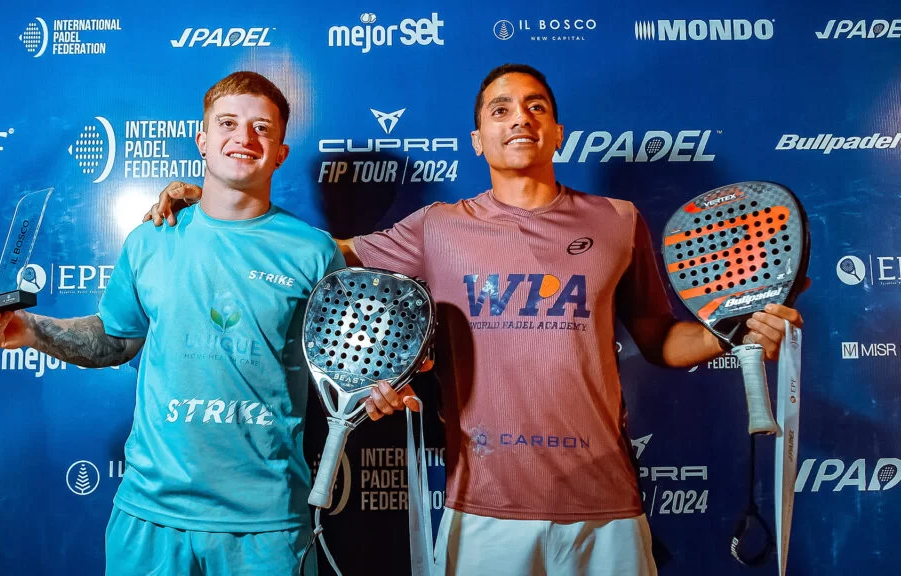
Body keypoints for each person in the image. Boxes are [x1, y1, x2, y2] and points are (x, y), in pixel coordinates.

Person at [145, 63, 803, 575]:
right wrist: (216, 201)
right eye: (501, 109)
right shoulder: (439, 227)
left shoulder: (618, 220)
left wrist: (734, 333)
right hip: (482, 505)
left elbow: (660, 340)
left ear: (558, 132)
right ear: (478, 139)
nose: (520, 119)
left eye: (536, 107)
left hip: (605, 505)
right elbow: (310, 253)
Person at [0, 71, 349, 576]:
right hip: (150, 515)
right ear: (202, 140)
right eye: (228, 123)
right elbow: (116, 340)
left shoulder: (313, 252)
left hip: (266, 524)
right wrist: (28, 330)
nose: (244, 137)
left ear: (280, 152)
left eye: (261, 128)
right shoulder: (150, 239)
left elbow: (346, 366)